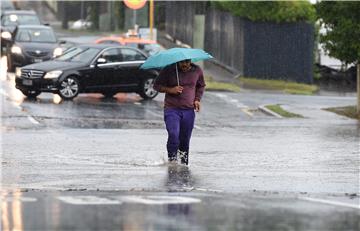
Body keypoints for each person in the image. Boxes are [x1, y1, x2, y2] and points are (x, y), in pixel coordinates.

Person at [154, 59, 206, 165]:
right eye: (182, 62)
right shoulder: (169, 70)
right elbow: (156, 86)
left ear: (190, 61)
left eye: (187, 62)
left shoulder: (197, 70)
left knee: (185, 140)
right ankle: (172, 161)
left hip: (189, 111)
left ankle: (183, 163)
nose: (185, 65)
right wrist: (170, 90)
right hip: (172, 109)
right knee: (173, 135)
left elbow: (201, 86)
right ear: (178, 62)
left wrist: (197, 99)